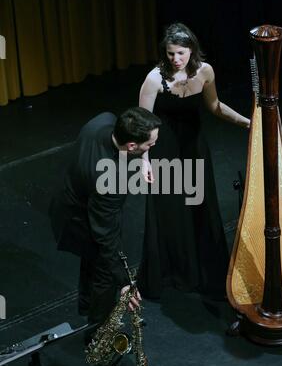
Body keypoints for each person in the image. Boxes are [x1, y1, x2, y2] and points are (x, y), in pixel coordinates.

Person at [138, 22, 250, 299]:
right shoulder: (154, 79)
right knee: (171, 209)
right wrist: (144, 161)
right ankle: (175, 270)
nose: (175, 59)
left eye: (180, 53)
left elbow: (215, 106)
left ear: (192, 50)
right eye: (170, 53)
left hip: (194, 146)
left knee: (199, 204)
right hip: (165, 148)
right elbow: (142, 124)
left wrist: (250, 123)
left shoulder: (205, 72)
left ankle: (202, 269)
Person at [49, 107, 161, 328]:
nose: (153, 147)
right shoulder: (111, 181)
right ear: (131, 146)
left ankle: (85, 304)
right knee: (105, 272)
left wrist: (143, 159)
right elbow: (106, 236)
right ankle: (99, 333)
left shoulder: (104, 121)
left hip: (71, 199)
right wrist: (124, 282)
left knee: (92, 258)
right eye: (149, 145)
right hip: (80, 218)